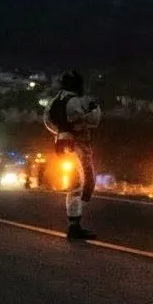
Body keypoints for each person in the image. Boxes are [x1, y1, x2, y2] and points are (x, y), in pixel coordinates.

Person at [44, 70, 102, 240]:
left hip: (62, 144)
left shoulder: (54, 102)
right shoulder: (75, 101)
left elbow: (48, 122)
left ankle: (75, 222)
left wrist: (60, 132)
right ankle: (74, 226)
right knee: (79, 183)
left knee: (81, 182)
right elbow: (92, 121)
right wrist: (91, 112)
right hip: (75, 145)